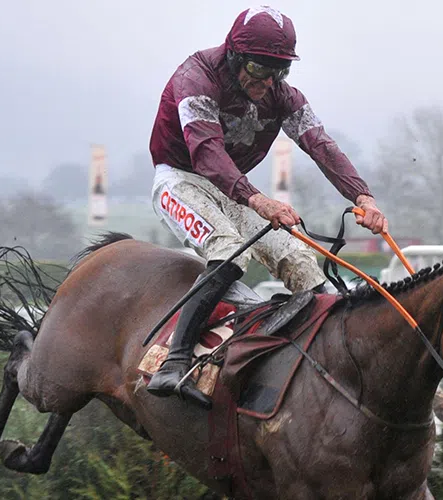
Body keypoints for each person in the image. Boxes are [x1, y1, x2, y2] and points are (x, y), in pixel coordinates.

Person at [146, 6, 388, 408]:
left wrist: (363, 197)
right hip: (181, 179)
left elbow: (320, 145)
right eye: (259, 69)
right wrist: (258, 199)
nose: (269, 82)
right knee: (230, 252)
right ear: (234, 55)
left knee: (301, 262)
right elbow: (206, 153)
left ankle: (331, 365)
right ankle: (174, 361)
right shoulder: (195, 77)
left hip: (233, 189)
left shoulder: (283, 96)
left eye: (280, 70)